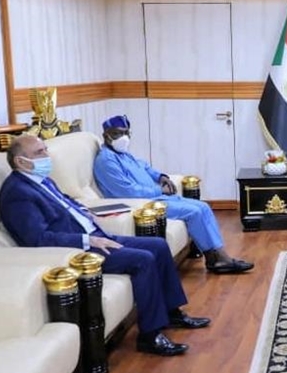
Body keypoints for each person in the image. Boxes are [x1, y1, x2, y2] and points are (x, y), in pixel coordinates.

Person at [0, 135, 210, 356]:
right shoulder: (17, 193)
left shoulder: (41, 180)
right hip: (79, 252)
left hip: (95, 235)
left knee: (158, 245)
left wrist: (86, 213)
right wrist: (87, 240)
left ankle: (172, 312)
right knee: (143, 260)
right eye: (39, 152)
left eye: (45, 149)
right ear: (21, 161)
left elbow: (66, 203)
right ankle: (150, 335)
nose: (46, 155)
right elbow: (38, 239)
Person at [93, 115, 253, 275]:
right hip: (143, 205)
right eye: (118, 133)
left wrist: (160, 176)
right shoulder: (106, 161)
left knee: (203, 206)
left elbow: (145, 167)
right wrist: (160, 190)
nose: (123, 138)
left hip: (155, 198)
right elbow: (128, 192)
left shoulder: (123, 154)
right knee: (194, 212)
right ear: (106, 135)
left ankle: (218, 255)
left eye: (126, 133)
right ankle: (217, 259)